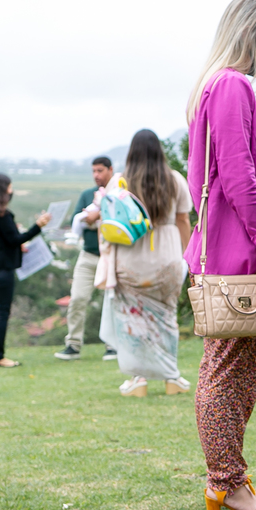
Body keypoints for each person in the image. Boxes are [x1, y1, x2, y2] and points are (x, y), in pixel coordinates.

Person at [185, 0, 256, 510]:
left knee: (241, 368)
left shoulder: (217, 84)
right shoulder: (230, 85)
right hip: (236, 251)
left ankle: (230, 476)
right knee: (227, 371)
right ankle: (225, 482)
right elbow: (238, 171)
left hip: (228, 245)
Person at [94, 130, 192, 398]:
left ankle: (139, 379)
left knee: (132, 318)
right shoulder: (175, 180)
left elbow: (107, 220)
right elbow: (183, 220)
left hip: (130, 257)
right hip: (167, 256)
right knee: (167, 316)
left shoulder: (121, 181)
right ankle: (172, 378)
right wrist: (187, 256)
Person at [0, 174, 51, 368]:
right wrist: (39, 225)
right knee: (1, 312)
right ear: (4, 190)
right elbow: (16, 239)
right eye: (10, 188)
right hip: (2, 269)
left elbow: (1, 241)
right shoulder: (3, 215)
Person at [54, 156, 117, 362]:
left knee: (112, 302)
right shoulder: (86, 195)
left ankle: (113, 345)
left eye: (100, 171)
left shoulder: (119, 193)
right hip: (88, 254)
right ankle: (73, 344)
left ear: (110, 170)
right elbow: (77, 220)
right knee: (78, 298)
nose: (96, 175)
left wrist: (97, 216)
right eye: (93, 171)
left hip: (111, 256)